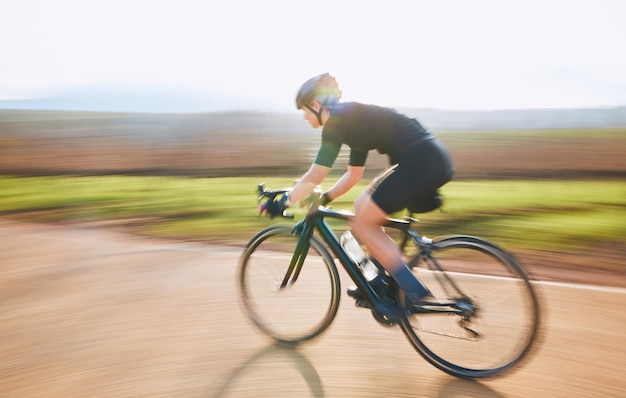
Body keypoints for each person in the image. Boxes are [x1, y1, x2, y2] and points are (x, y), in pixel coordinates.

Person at [264, 73, 454, 309]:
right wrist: (324, 198)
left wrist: (284, 201)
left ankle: (412, 290)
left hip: (420, 163)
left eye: (303, 110)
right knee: (362, 207)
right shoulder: (351, 121)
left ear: (315, 105)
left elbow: (316, 174)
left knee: (362, 224)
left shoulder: (337, 122)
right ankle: (379, 281)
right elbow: (354, 175)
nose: (304, 117)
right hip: (429, 158)